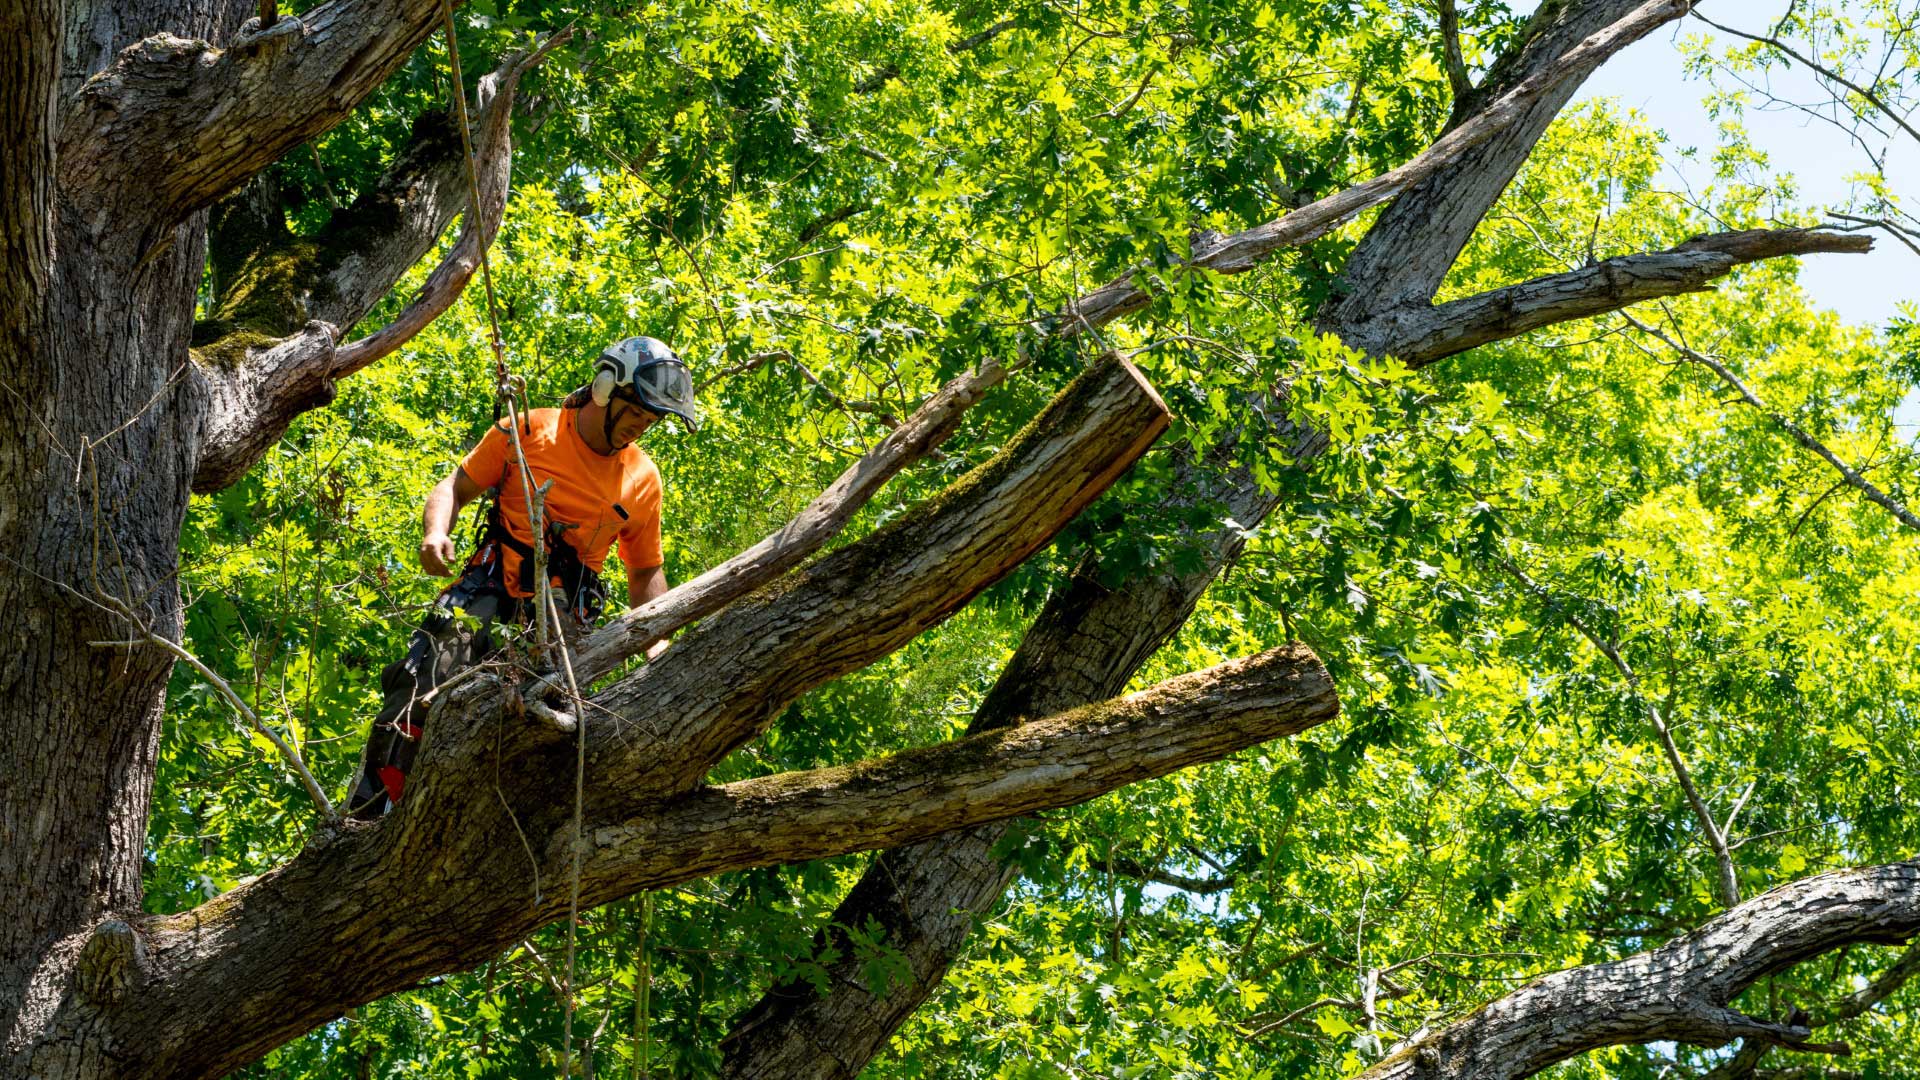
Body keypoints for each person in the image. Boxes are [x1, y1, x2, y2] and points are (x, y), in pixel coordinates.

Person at [346, 335, 697, 821]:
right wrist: (434, 534)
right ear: (604, 387)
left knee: (543, 734)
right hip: (490, 586)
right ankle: (369, 813)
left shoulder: (642, 479)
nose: (642, 425)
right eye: (636, 410)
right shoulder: (530, 429)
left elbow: (644, 572)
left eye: (652, 418)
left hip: (563, 617)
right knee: (421, 687)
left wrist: (657, 644)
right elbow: (454, 486)